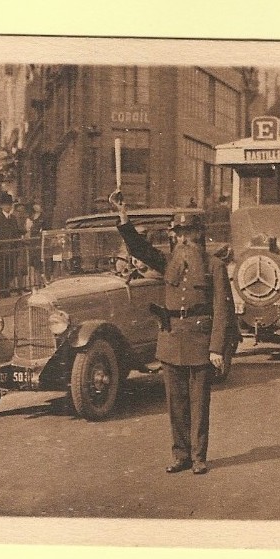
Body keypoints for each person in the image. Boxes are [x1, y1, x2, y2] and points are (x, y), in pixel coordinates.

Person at [112, 191, 232, 475]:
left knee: (199, 404)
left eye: (188, 232)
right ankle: (181, 455)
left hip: (200, 341)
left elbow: (223, 310)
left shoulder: (214, 266)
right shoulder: (169, 263)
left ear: (199, 234)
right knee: (175, 403)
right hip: (171, 340)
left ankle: (199, 456)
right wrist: (123, 215)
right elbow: (138, 249)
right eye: (178, 234)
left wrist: (216, 348)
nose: (183, 239)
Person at [0, 192, 23, 298]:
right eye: (6, 205)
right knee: (1, 271)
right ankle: (2, 292)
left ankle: (8, 290)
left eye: (9, 205)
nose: (8, 207)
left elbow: (16, 232)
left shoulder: (13, 218)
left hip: (12, 250)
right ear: (2, 206)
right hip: (2, 250)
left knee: (10, 270)